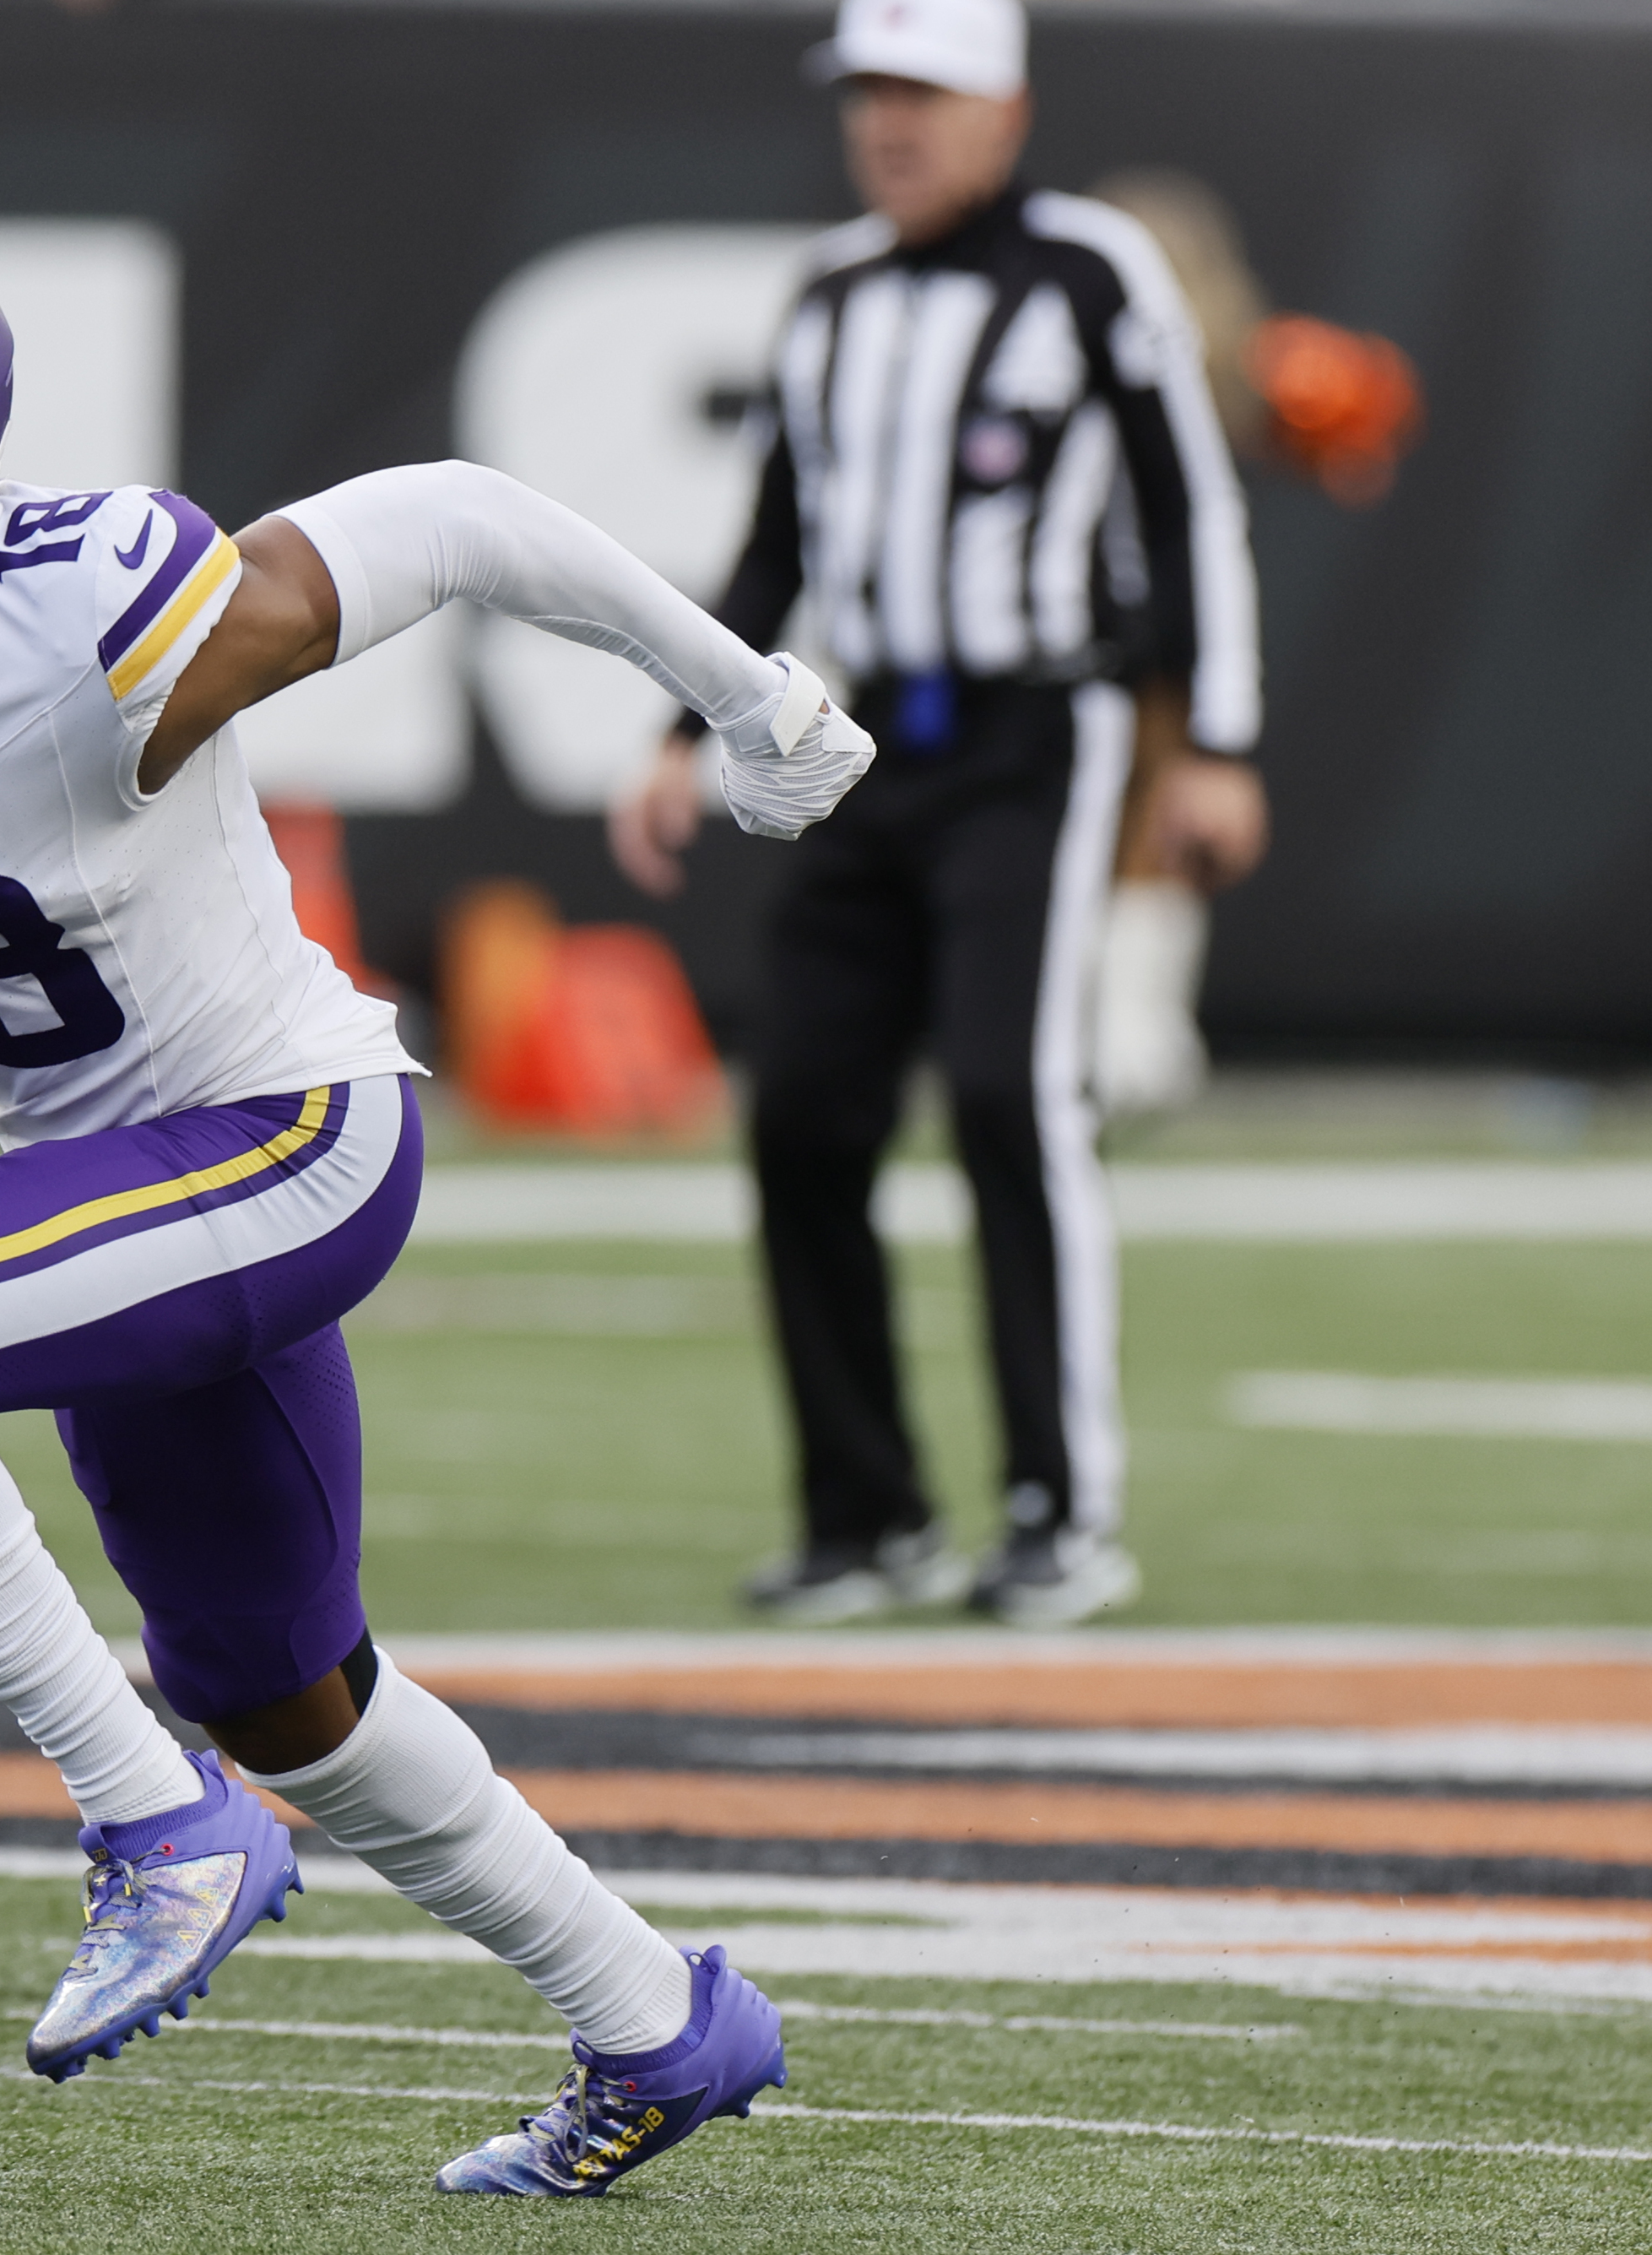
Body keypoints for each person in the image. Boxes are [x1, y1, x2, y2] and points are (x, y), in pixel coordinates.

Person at [0, 199, 872, 2195]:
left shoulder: (84, 600)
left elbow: (462, 513)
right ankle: (662, 2022)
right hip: (101, 1170)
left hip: (283, 1133)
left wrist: (745, 695)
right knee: (286, 1690)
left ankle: (149, 1819)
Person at [609, 0, 1269, 1628]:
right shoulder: (828, 291)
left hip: (1035, 730)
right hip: (855, 737)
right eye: (871, 94)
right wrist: (679, 725)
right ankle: (866, 1512)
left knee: (1004, 1095)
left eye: (925, 94)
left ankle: (1061, 1506)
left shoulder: (1088, 269)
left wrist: (1218, 739)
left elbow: (1188, 508)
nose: (891, 125)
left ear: (1003, 110)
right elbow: (773, 537)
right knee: (802, 1111)